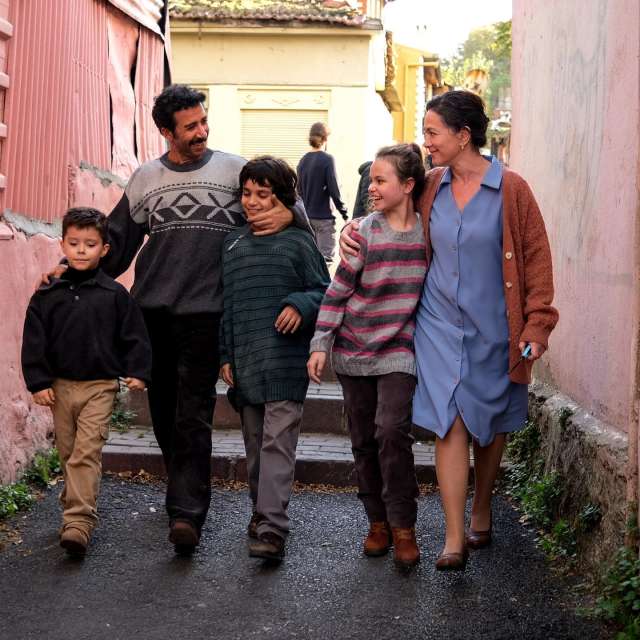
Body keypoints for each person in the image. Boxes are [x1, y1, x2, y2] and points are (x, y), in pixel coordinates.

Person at [37, 84, 313, 555]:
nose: (202, 131)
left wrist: (289, 215)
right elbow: (116, 242)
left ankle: (186, 514)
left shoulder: (231, 171)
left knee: (193, 415)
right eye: (191, 126)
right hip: (153, 316)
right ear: (167, 132)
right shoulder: (145, 179)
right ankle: (183, 493)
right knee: (164, 416)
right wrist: (72, 270)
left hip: (208, 315)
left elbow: (282, 204)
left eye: (204, 121)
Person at [340, 91, 559, 571]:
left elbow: (536, 259)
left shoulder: (512, 189)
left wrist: (538, 323)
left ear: (464, 136)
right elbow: (388, 209)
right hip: (438, 324)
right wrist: (353, 229)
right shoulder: (430, 184)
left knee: (491, 422)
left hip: (496, 327)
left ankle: (482, 508)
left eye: (433, 132)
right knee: (451, 421)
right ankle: (454, 538)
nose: (426, 141)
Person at [308, 143, 427, 568]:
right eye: (370, 180)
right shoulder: (363, 233)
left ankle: (403, 527)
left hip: (399, 348)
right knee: (362, 441)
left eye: (380, 180)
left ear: (408, 184)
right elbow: (338, 291)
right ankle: (376, 522)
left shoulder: (429, 234)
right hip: (353, 349)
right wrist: (321, 343)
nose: (370, 188)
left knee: (391, 431)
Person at [22, 207, 152, 556]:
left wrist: (138, 370)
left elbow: (134, 336)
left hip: (100, 386)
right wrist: (38, 381)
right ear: (62, 243)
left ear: (104, 249)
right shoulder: (47, 294)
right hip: (60, 388)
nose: (81, 250)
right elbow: (34, 340)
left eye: (90, 244)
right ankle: (74, 505)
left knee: (85, 454)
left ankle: (79, 522)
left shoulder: (114, 294)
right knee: (68, 454)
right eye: (74, 243)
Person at [219, 156, 330, 561]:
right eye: (246, 193)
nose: (252, 201)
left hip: (285, 364)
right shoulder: (232, 244)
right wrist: (225, 354)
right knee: (253, 445)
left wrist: (300, 305)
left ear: (280, 198)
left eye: (262, 195)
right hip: (247, 366)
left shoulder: (298, 242)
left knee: (276, 445)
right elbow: (227, 306)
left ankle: (272, 528)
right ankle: (260, 514)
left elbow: (324, 291)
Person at [297, 122, 349, 263]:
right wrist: (345, 213)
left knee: (311, 261)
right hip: (324, 219)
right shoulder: (327, 159)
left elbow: (298, 192)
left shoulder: (303, 161)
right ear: (326, 138)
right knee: (326, 261)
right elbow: (334, 189)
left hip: (306, 219)